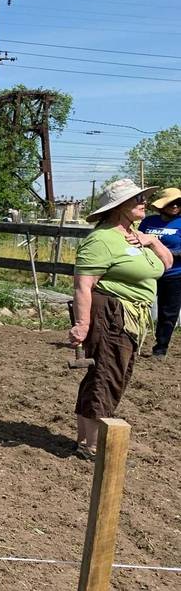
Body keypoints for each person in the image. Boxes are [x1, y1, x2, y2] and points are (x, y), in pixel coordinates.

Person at [70, 179, 172, 460]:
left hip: (130, 316)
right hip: (111, 313)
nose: (144, 203)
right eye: (137, 199)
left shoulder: (137, 234)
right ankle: (91, 445)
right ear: (118, 207)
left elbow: (167, 264)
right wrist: (82, 324)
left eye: (143, 198)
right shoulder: (102, 239)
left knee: (110, 373)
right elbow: (83, 286)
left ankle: (84, 439)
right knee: (107, 375)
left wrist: (152, 241)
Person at [138, 187, 181, 356]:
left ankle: (161, 348)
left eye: (179, 203)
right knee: (139, 307)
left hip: (174, 275)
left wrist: (165, 252)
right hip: (146, 273)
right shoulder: (148, 222)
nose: (176, 206)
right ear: (162, 205)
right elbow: (137, 239)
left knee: (167, 313)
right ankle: (132, 343)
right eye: (172, 203)